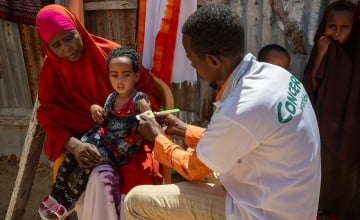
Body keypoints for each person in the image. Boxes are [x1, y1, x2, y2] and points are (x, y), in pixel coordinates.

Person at [124, 3, 321, 220]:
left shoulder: (240, 108)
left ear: (213, 61)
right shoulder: (277, 76)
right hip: (287, 201)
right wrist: (182, 129)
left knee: (135, 201)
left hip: (263, 213)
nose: (194, 69)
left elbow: (193, 168)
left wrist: (157, 137)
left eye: (193, 62)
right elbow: (237, 137)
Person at [35, 4, 162, 220]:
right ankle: (61, 201)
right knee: (88, 174)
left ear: (78, 28)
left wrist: (133, 109)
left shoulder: (109, 54)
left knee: (125, 177)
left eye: (69, 38)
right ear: (48, 48)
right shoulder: (51, 72)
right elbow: (48, 115)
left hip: (126, 137)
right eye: (56, 45)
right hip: (84, 142)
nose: (66, 48)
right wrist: (73, 145)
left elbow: (148, 87)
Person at [302, 1, 360, 219]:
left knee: (348, 173)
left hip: (352, 125)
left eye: (345, 28)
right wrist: (321, 54)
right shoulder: (324, 49)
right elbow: (311, 85)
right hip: (324, 122)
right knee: (323, 168)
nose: (337, 33)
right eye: (331, 27)